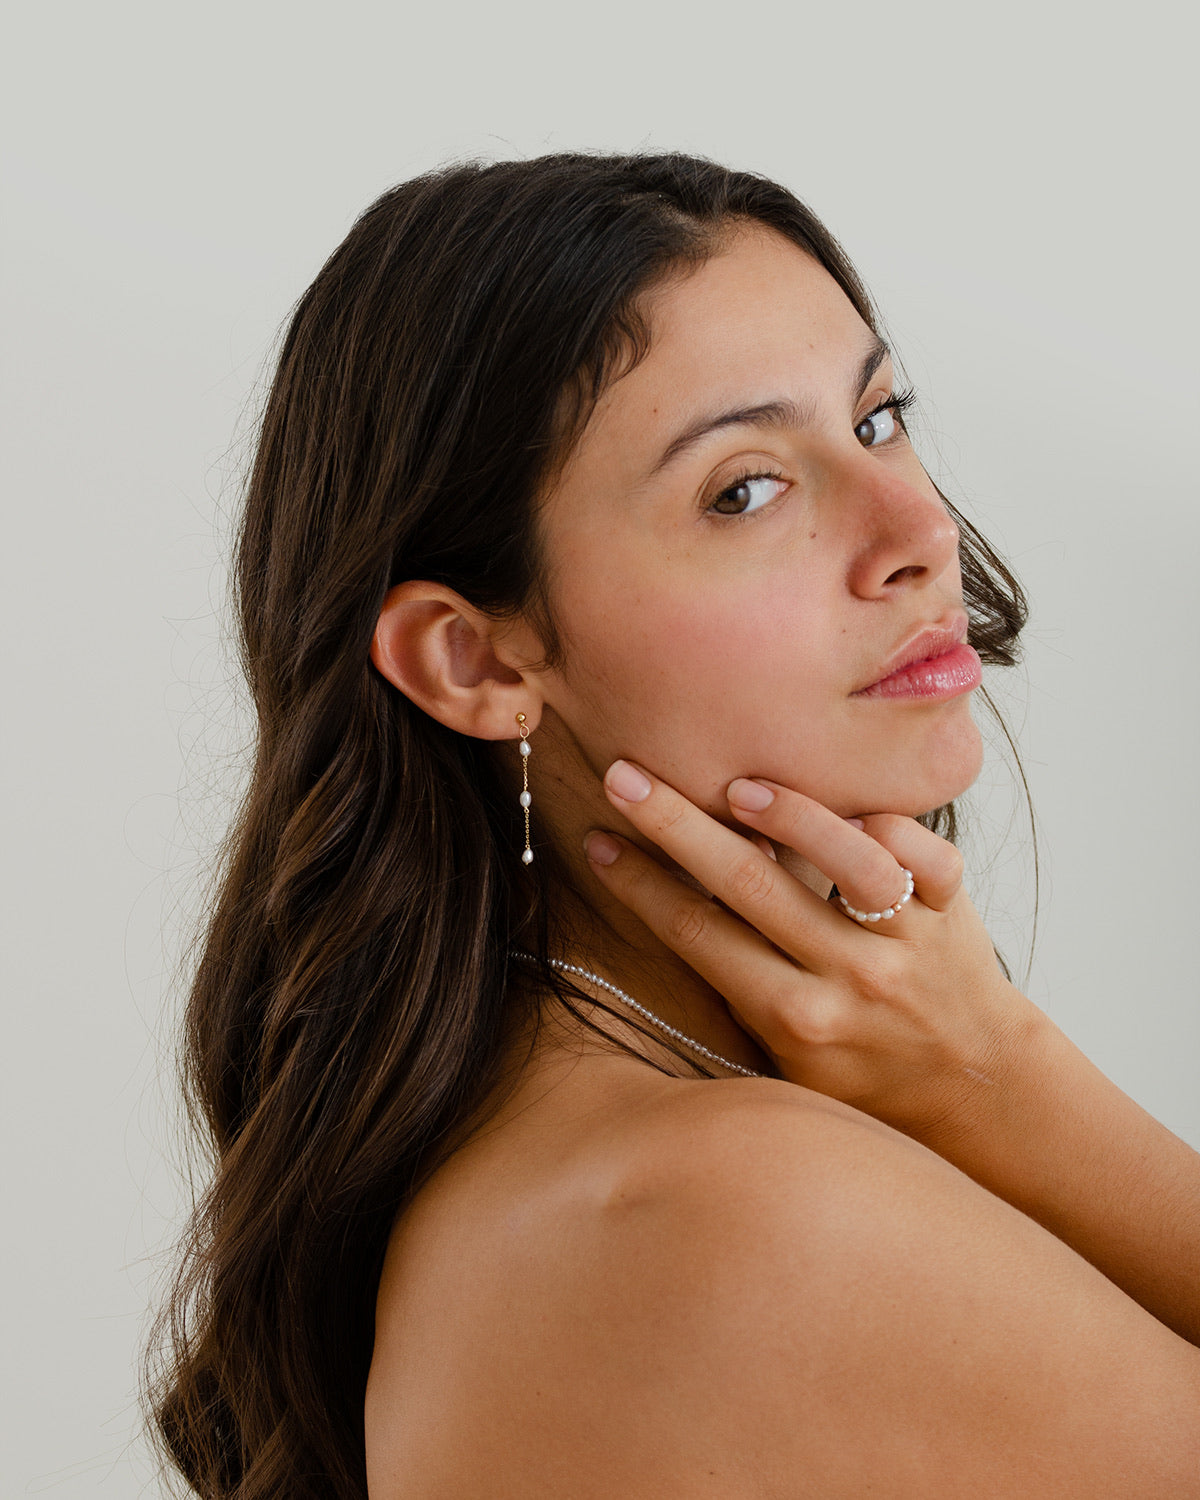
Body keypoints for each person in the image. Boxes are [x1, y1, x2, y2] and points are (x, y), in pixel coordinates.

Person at [150, 152, 1200, 1499]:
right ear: (475, 660)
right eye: (744, 489)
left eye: (877, 419)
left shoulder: (588, 1163)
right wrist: (1002, 1078)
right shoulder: (725, 1210)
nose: (920, 530)